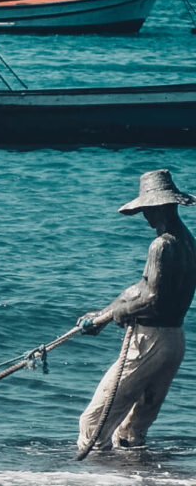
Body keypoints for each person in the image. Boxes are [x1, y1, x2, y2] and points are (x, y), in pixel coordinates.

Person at [76, 170, 196, 451]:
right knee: (133, 427)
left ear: (159, 207)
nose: (146, 217)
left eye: (147, 209)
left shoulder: (161, 245)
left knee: (93, 424)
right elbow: (143, 288)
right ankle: (136, 485)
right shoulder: (188, 242)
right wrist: (105, 313)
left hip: (149, 343)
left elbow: (152, 299)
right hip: (173, 340)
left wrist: (115, 315)